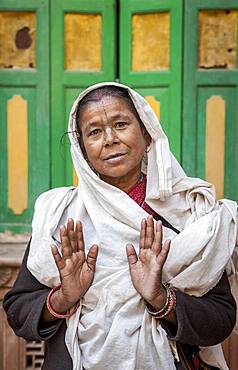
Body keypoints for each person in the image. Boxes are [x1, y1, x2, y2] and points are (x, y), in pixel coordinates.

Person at [3, 82, 238, 370]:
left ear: (146, 133)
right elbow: (18, 310)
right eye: (95, 132)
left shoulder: (189, 213)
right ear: (82, 147)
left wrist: (160, 298)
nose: (110, 139)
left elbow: (221, 319)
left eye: (121, 124)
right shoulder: (61, 215)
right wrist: (64, 297)